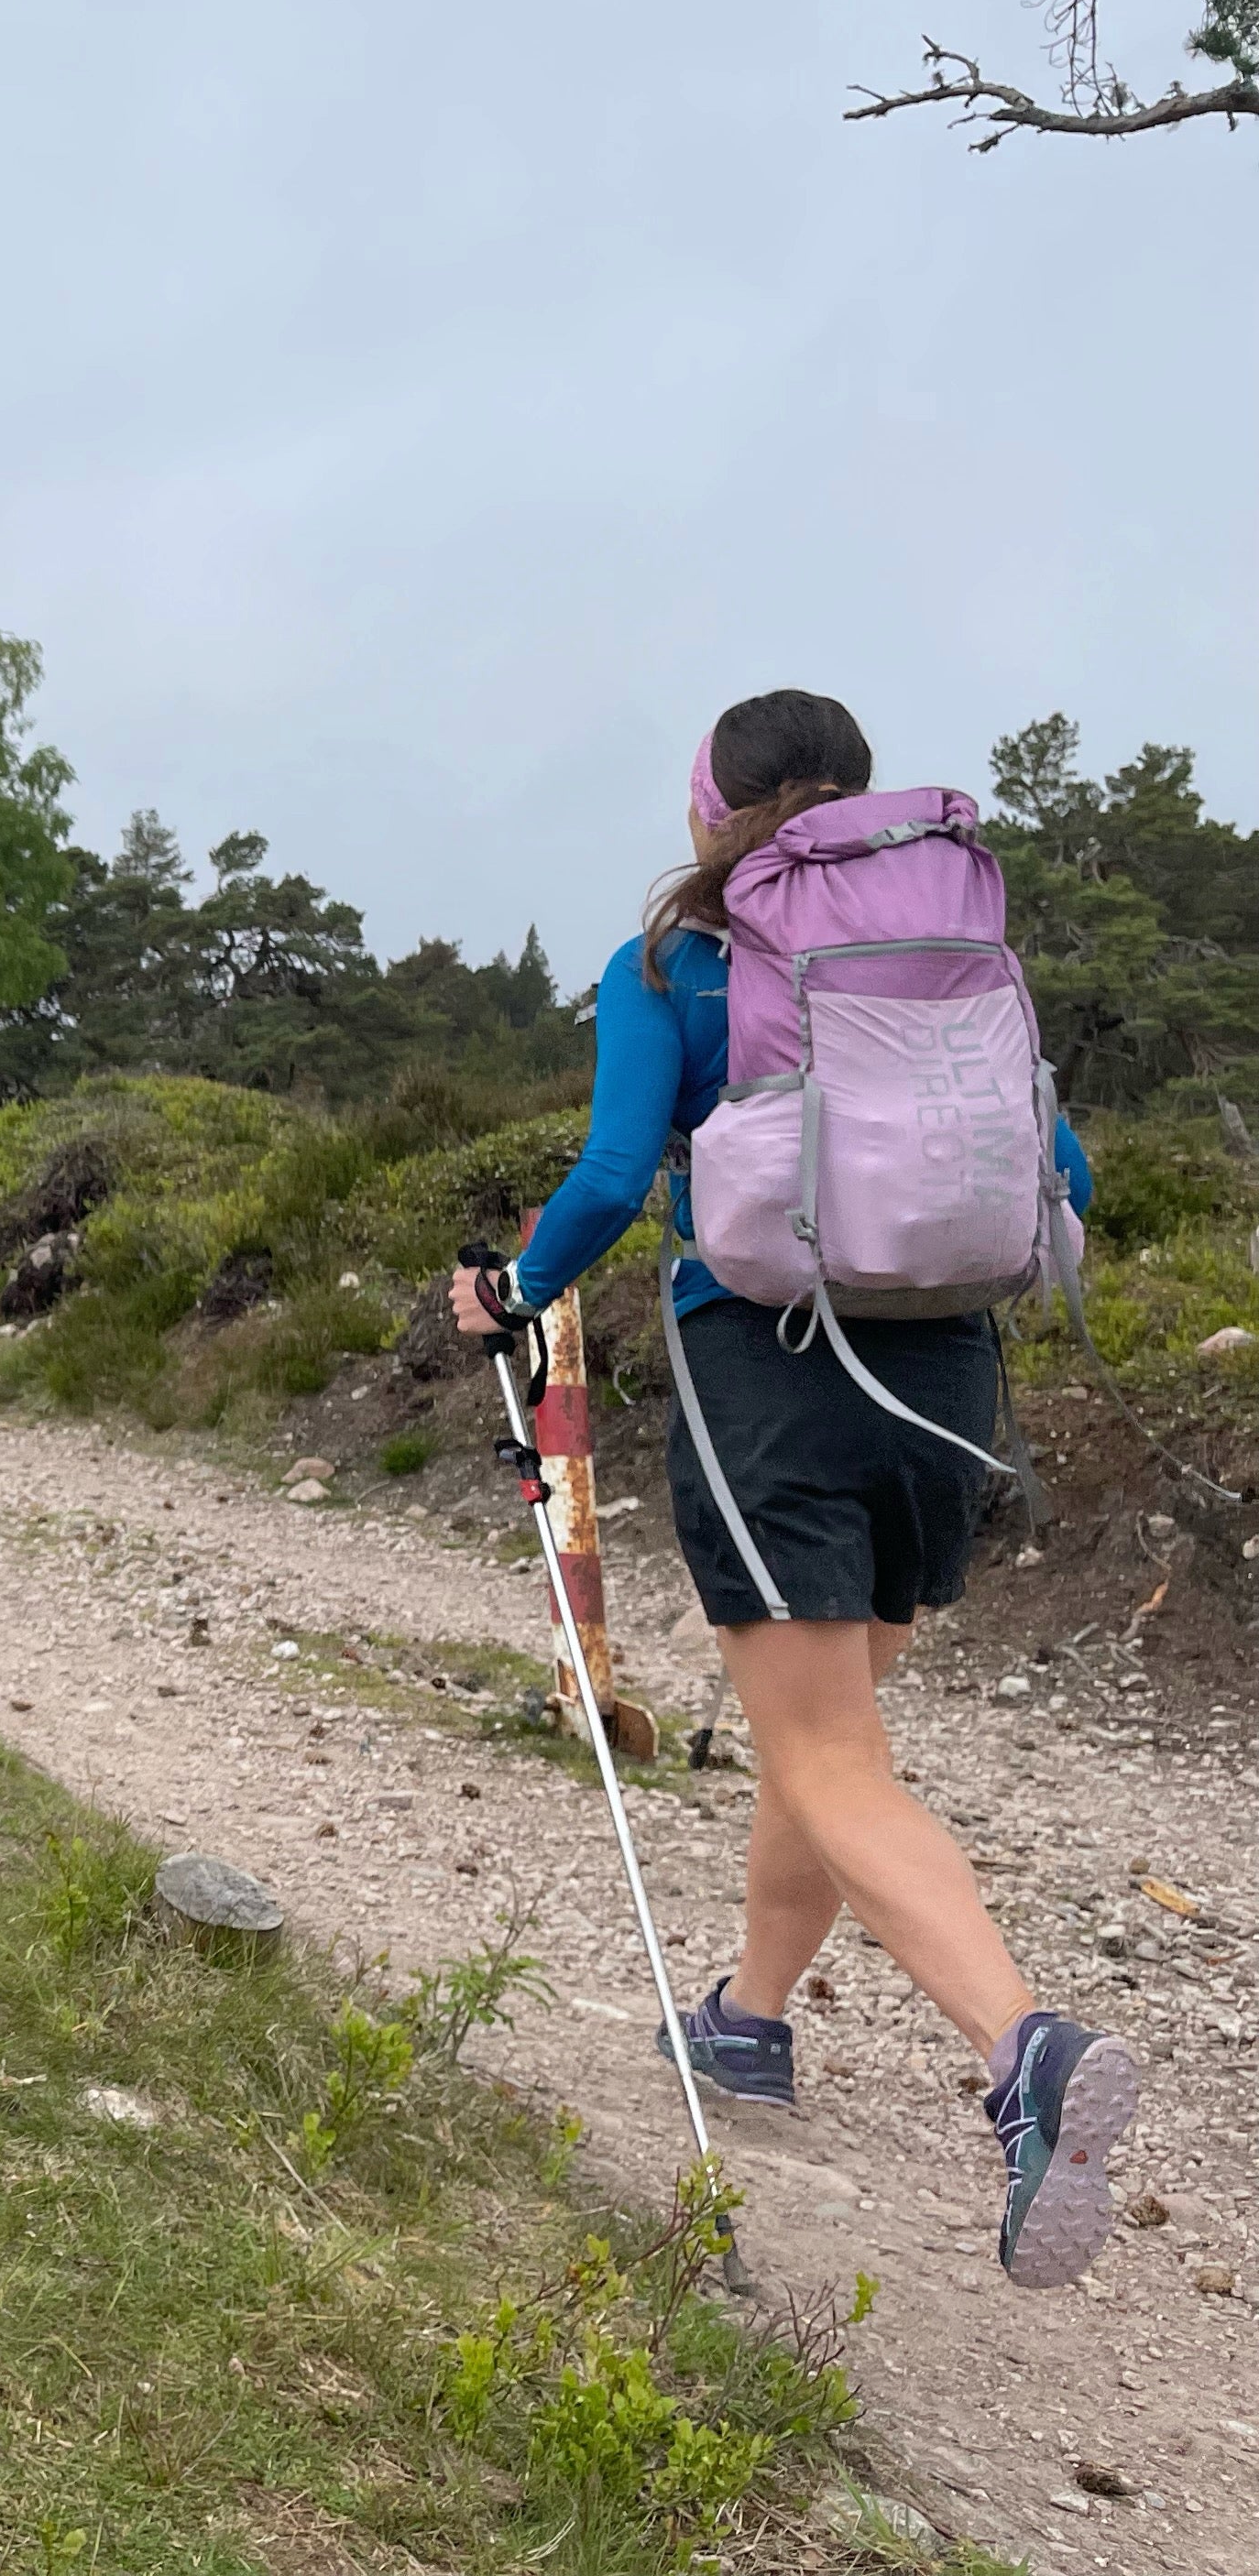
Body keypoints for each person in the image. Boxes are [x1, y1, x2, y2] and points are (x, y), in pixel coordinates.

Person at [452, 688, 1135, 2291]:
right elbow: (1071, 1175)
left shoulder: (675, 963)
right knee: (824, 1738)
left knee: (824, 1748)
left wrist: (512, 1287)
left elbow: (621, 1174)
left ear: (712, 804)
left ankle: (1025, 2053)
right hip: (948, 1377)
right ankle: (749, 2026)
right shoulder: (953, 955)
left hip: (770, 1369)